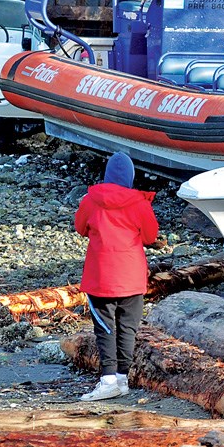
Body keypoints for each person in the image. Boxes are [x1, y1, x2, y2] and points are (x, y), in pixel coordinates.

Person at [75, 152, 158, 401]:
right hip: (131, 277)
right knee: (128, 329)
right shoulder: (139, 202)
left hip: (101, 277)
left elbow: (80, 228)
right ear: (130, 177)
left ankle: (109, 379)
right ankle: (121, 379)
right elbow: (150, 237)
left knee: (105, 329)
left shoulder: (91, 200)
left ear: (107, 176)